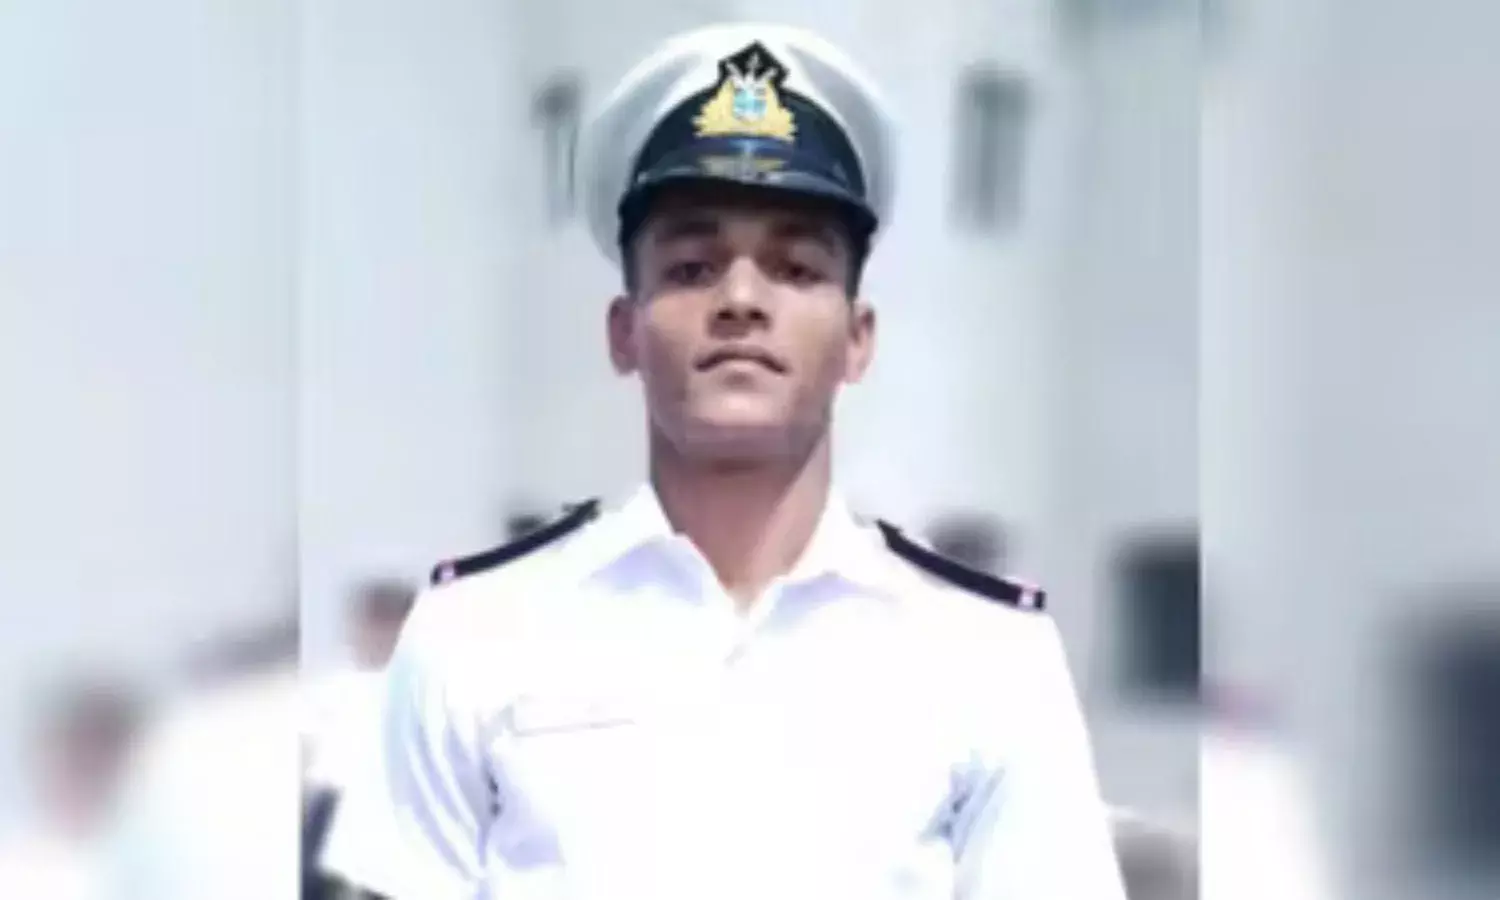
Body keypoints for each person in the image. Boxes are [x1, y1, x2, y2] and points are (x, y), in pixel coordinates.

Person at [328, 23, 1126, 899]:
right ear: (623, 332)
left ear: (858, 339)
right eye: (691, 267)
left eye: (796, 268)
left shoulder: (988, 658)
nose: (741, 299)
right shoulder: (473, 635)